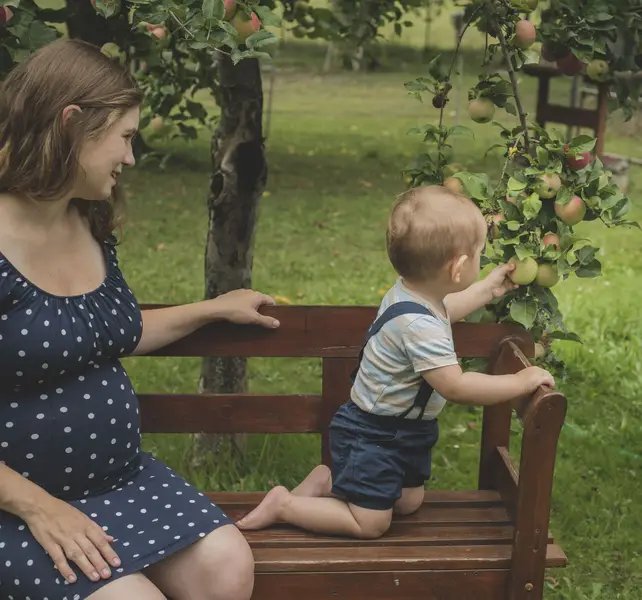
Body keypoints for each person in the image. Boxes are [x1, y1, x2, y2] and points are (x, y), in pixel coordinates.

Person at [0, 38, 280, 600]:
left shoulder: (89, 222)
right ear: (72, 124)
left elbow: (107, 332)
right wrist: (37, 506)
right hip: (19, 505)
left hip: (119, 482)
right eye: (125, 137)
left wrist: (213, 309)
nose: (131, 157)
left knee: (226, 566)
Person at [237, 184, 555, 538]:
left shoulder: (412, 293)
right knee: (372, 523)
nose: (482, 261)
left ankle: (328, 480)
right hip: (373, 435)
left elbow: (445, 311)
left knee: (407, 502)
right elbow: (457, 385)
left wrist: (486, 289)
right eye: (480, 253)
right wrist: (520, 383)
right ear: (459, 266)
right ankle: (285, 504)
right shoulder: (418, 325)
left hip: (405, 432)